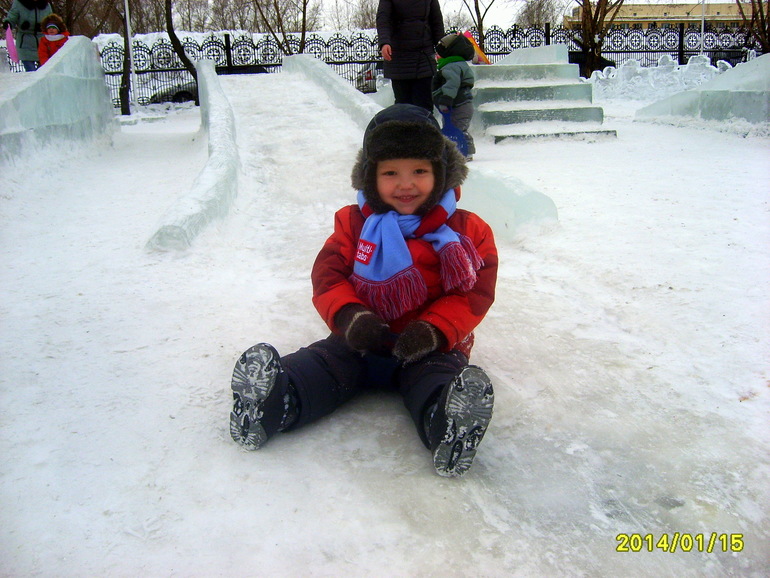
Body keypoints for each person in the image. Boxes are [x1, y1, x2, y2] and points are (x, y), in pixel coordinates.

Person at [229, 104, 498, 477]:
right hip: (361, 338)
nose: (406, 184)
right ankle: (275, 400)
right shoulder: (353, 223)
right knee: (325, 364)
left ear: (441, 173)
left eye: (419, 171)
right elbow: (329, 275)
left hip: (428, 346)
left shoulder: (466, 231)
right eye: (391, 173)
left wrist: (433, 330)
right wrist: (350, 316)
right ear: (371, 178)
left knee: (434, 378)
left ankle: (447, 423)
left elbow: (474, 291)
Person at [376, 0, 445, 111]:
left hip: (423, 55)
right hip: (399, 57)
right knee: (403, 106)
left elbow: (436, 21)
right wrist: (384, 43)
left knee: (424, 105)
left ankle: (425, 127)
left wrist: (441, 47)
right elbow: (383, 19)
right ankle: (404, 127)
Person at [432, 33, 477, 160]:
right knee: (457, 128)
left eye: (439, 54)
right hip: (462, 104)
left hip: (458, 105)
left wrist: (446, 98)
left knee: (458, 129)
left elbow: (452, 83)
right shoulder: (458, 64)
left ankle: (465, 151)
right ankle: (462, 150)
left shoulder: (452, 66)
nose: (437, 56)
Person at [2, 0, 52, 71]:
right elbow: (12, 16)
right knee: (30, 72)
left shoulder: (46, 5)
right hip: (25, 44)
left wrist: (44, 26)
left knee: (43, 72)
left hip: (42, 44)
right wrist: (8, 23)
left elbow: (51, 21)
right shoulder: (19, 3)